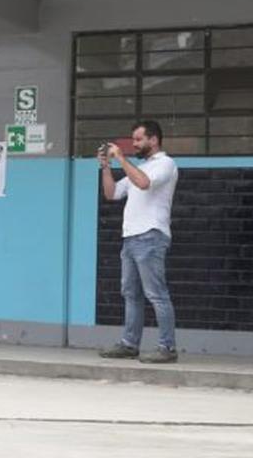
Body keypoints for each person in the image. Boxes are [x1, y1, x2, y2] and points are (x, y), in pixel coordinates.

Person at [97, 120, 180, 364]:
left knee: (156, 294)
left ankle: (167, 347)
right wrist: (106, 167)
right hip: (131, 238)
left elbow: (144, 183)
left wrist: (121, 158)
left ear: (153, 140)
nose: (134, 144)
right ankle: (129, 344)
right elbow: (111, 194)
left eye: (138, 139)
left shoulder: (165, 164)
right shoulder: (141, 167)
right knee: (131, 294)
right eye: (133, 140)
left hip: (151, 236)